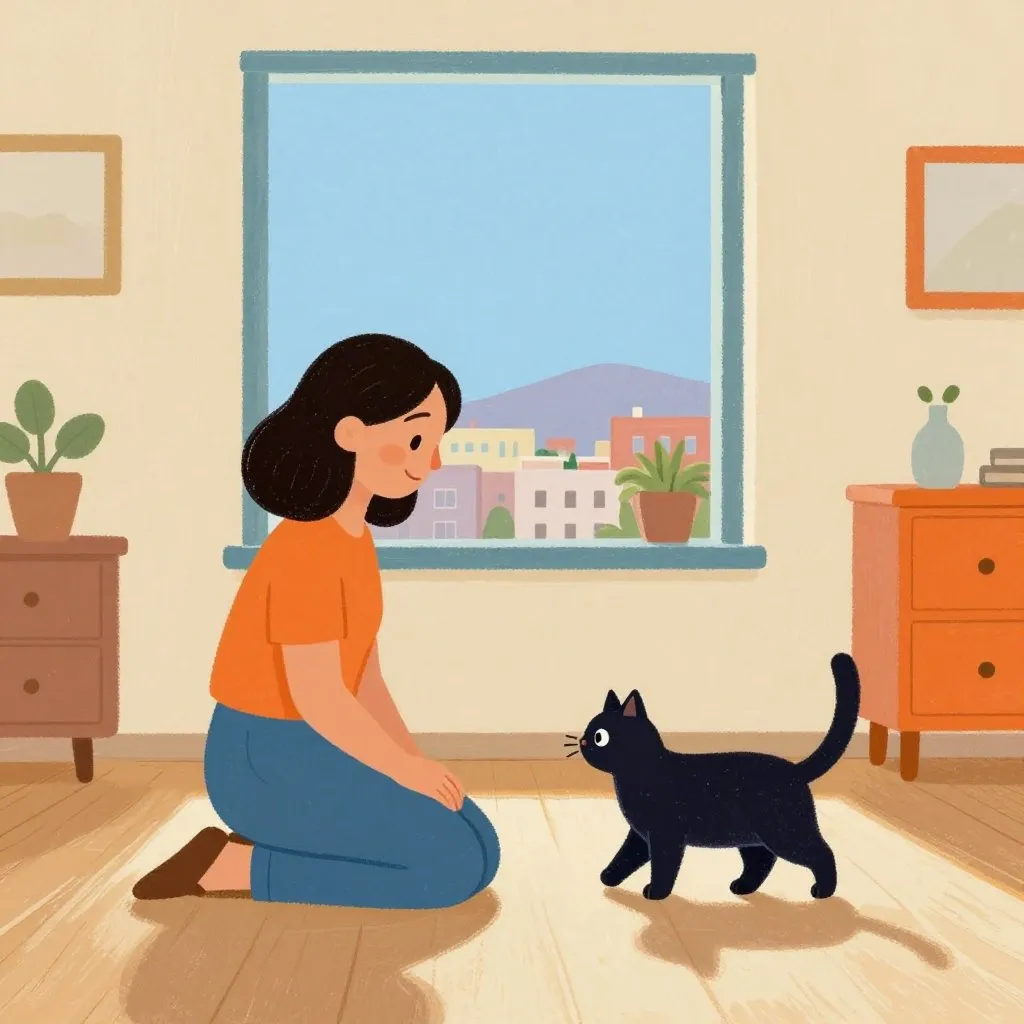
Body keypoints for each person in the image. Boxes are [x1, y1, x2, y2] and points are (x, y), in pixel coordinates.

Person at [132, 334, 500, 907]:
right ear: (351, 432)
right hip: (263, 758)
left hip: (316, 742)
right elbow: (320, 695)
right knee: (451, 868)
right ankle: (232, 867)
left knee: (480, 848)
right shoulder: (306, 550)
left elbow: (365, 678)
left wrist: (412, 761)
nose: (433, 460)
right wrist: (401, 770)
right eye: (417, 437)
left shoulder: (353, 540)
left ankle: (267, 854)